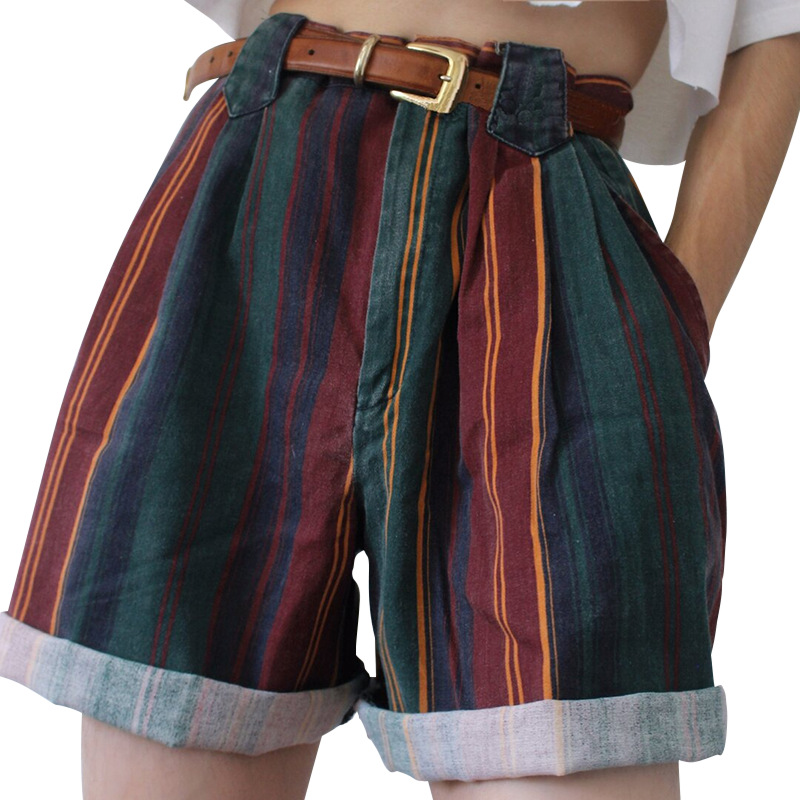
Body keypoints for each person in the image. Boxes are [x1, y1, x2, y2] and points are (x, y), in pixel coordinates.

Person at [1, 2, 799, 799]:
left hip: (543, 228)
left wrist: (674, 315)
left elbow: (776, 27)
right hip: (266, 182)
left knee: (562, 750)